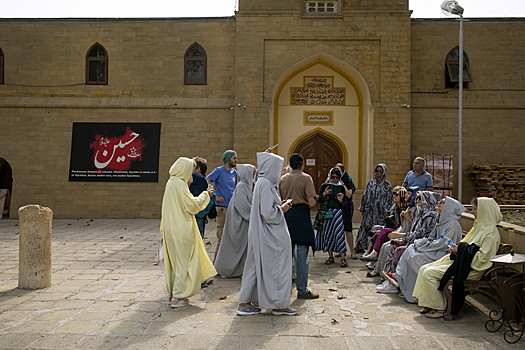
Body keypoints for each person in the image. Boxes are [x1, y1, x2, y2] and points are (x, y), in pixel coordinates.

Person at [413, 197, 501, 319]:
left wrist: (459, 250)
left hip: (471, 268)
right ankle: (429, 302)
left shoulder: (490, 234)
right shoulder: (479, 227)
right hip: (462, 262)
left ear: (484, 212)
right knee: (424, 268)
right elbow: (466, 245)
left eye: (475, 210)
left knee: (429, 273)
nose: (473, 212)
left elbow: (482, 259)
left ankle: (441, 307)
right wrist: (457, 248)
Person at [237, 152, 297, 316]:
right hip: (269, 236)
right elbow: (268, 213)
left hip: (263, 233)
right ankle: (278, 304)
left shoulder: (263, 183)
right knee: (277, 268)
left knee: (256, 267)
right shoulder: (265, 185)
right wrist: (282, 208)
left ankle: (249, 303)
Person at [160, 157, 216, 308]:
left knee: (176, 262)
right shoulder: (179, 184)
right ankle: (178, 297)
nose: (192, 174)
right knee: (184, 262)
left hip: (171, 228)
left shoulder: (172, 183)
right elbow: (191, 205)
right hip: (181, 229)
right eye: (191, 170)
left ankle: (175, 293)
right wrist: (206, 195)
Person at [393, 196, 465, 303]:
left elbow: (443, 244)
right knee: (411, 248)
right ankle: (407, 286)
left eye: (443, 202)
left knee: (415, 257)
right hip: (433, 249)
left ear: (449, 207)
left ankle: (417, 291)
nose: (439, 203)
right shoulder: (441, 220)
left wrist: (424, 245)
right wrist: (421, 243)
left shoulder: (452, 224)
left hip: (441, 253)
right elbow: (431, 237)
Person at [377, 191, 441, 293]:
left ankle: (395, 283)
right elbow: (411, 229)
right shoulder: (422, 213)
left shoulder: (431, 216)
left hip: (423, 245)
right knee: (391, 247)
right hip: (414, 242)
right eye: (417, 197)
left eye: (420, 198)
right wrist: (403, 239)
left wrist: (402, 236)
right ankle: (390, 280)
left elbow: (421, 234)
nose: (418, 200)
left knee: (398, 251)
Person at [279, 153, 319, 299]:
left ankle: (283, 289)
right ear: (302, 164)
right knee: (302, 256)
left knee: (285, 255)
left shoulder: (283, 179)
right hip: (301, 216)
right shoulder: (306, 178)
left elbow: (280, 198)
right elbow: (312, 203)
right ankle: (302, 290)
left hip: (287, 215)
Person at [214, 164, 255, 278]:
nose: (253, 175)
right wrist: (255, 212)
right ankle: (225, 269)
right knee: (236, 247)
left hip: (244, 221)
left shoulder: (248, 186)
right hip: (239, 222)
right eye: (252, 172)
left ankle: (240, 270)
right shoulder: (242, 186)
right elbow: (243, 206)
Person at [368, 186, 418, 277]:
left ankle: (384, 273)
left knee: (388, 247)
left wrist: (408, 219)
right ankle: (380, 271)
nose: (406, 195)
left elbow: (415, 228)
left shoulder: (415, 210)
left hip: (408, 237)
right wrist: (402, 218)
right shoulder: (408, 208)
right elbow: (403, 226)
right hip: (401, 233)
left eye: (409, 194)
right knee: (384, 245)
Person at [354, 164, 393, 253]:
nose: (379, 173)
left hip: (380, 212)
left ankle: (374, 249)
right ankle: (360, 247)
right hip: (369, 210)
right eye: (377, 171)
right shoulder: (371, 183)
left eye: (380, 171)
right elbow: (365, 195)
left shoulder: (387, 185)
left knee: (377, 230)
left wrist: (387, 211)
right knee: (364, 228)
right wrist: (362, 208)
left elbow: (390, 199)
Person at [207, 150, 238, 261]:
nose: (236, 160)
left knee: (231, 237)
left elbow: (235, 188)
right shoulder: (219, 171)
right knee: (222, 236)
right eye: (234, 158)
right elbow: (206, 182)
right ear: (228, 159)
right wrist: (215, 196)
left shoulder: (234, 173)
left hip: (232, 208)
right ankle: (217, 264)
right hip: (222, 208)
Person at [316, 167, 348, 267]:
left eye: (337, 177)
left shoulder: (341, 187)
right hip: (327, 212)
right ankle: (331, 257)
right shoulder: (325, 186)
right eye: (333, 177)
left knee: (339, 234)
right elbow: (320, 200)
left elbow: (344, 205)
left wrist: (340, 200)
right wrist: (324, 194)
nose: (335, 179)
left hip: (337, 212)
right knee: (328, 233)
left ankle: (343, 258)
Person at [335, 163, 357, 259]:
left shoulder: (348, 180)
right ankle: (341, 250)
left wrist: (342, 184)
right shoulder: (334, 179)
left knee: (348, 229)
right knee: (338, 230)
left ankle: (352, 251)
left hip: (346, 207)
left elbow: (349, 194)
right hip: (337, 207)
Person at [189, 156, 210, 237]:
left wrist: (191, 161)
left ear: (198, 170)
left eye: (192, 167)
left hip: (197, 214)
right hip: (200, 214)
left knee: (196, 238)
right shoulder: (203, 179)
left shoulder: (199, 178)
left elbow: (185, 174)